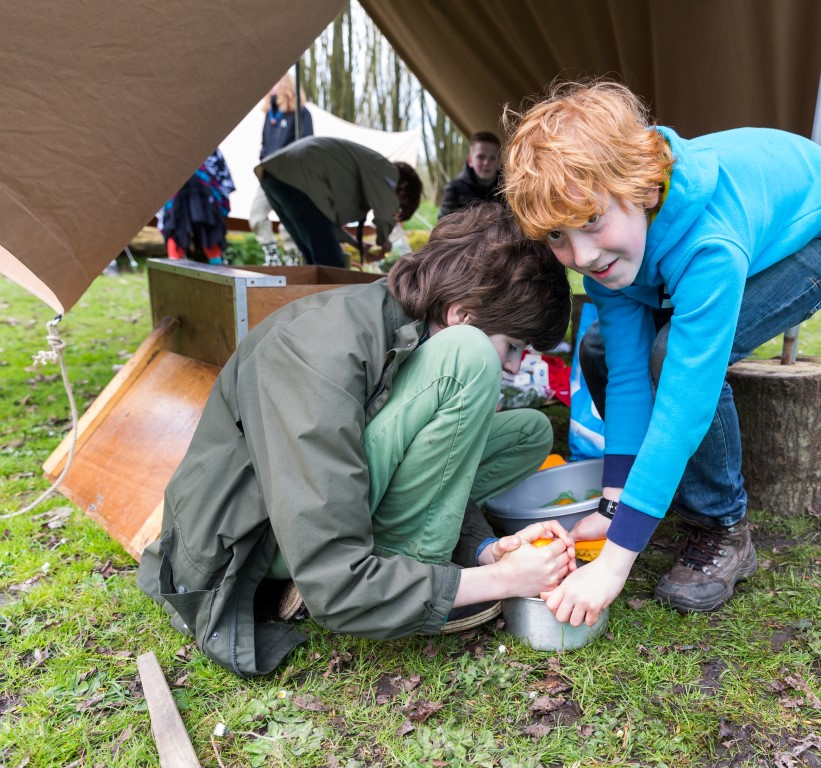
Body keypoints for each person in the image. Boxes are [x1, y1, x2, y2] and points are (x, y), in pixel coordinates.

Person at [137, 203, 575, 677]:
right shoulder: (318, 353)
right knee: (470, 360)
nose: (514, 367)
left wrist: (487, 550)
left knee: (529, 433)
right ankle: (410, 573)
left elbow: (438, 466)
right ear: (460, 314)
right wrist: (498, 581)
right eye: (513, 346)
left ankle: (415, 565)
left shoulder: (402, 322)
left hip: (317, 514)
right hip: (250, 552)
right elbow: (335, 581)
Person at [502, 80, 821, 625]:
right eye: (557, 235)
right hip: (694, 239)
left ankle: (722, 526)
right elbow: (626, 375)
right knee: (601, 350)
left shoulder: (709, 246)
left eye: (592, 220)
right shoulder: (605, 250)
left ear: (643, 190)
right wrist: (613, 505)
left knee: (674, 355)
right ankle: (647, 500)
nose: (581, 256)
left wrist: (613, 566)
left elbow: (684, 402)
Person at [256, 135, 422, 268]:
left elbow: (325, 226)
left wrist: (357, 245)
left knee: (313, 260)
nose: (395, 208)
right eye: (400, 206)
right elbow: (385, 210)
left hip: (274, 176)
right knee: (331, 265)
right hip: (300, 177)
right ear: (404, 188)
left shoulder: (366, 175)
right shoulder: (387, 171)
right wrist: (384, 242)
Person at [249, 73, 314, 266]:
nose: (271, 87)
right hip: (268, 176)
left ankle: (293, 258)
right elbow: (264, 144)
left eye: (275, 82)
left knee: (289, 221)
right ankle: (272, 257)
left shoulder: (301, 113)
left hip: (290, 177)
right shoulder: (270, 114)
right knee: (256, 215)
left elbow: (308, 145)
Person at [160, 148, 235, 265]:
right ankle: (173, 268)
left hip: (202, 187)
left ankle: (217, 270)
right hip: (180, 185)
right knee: (177, 228)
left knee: (208, 228)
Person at [439, 131, 504, 219]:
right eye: (481, 157)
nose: (486, 163)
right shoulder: (454, 189)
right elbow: (444, 223)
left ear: (499, 162)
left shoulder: (507, 191)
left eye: (493, 158)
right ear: (470, 160)